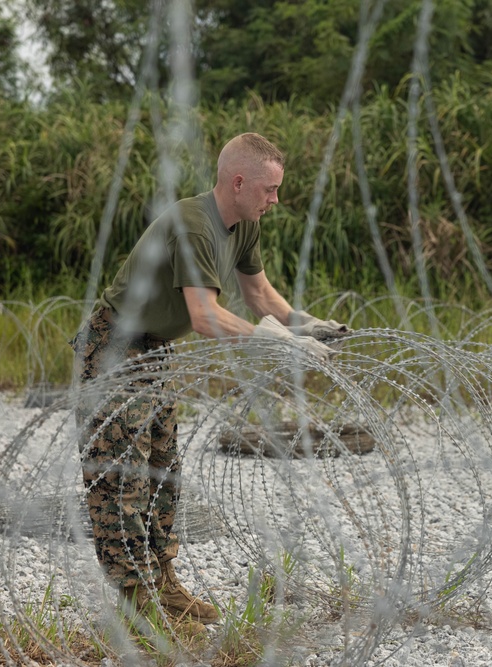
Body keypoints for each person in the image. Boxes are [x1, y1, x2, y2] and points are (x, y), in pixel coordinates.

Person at [70, 132, 347, 635]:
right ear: (238, 182)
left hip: (154, 349)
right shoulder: (196, 226)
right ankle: (136, 603)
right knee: (121, 479)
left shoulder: (242, 225)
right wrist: (278, 343)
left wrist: (303, 324)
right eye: (269, 189)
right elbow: (204, 315)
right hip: (114, 348)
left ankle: (164, 582)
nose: (275, 200)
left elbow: (259, 293)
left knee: (161, 470)